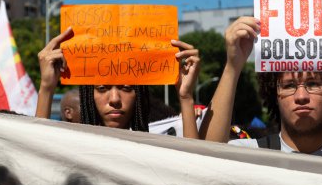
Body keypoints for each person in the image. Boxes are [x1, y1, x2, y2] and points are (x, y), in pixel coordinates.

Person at [195, 16, 322, 156]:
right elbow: (207, 155)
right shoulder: (253, 155)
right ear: (274, 94)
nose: (301, 96)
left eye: (313, 84)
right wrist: (232, 67)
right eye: (289, 86)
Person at [36, 27, 200, 137]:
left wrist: (185, 97)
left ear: (139, 94)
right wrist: (46, 88)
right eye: (102, 88)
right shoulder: (70, 146)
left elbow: (191, 169)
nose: (114, 99)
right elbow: (34, 161)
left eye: (126, 88)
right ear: (88, 95)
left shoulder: (156, 149)